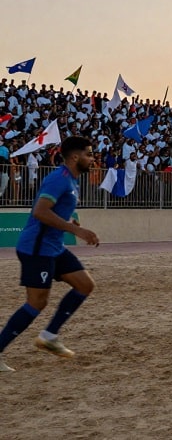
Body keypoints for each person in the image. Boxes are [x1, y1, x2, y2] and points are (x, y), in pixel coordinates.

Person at [0, 136, 100, 373]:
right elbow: (40, 212)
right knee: (37, 303)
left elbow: (53, 212)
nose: (92, 158)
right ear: (75, 157)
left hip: (53, 246)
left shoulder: (72, 180)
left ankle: (49, 335)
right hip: (36, 248)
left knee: (85, 284)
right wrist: (77, 230)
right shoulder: (59, 179)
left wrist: (69, 221)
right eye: (88, 154)